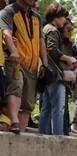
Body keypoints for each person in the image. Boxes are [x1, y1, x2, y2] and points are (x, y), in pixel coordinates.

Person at [0, 0, 50, 133]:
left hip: (32, 65)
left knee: (28, 102)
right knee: (16, 86)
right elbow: (6, 34)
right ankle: (15, 121)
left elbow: (41, 42)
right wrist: (14, 51)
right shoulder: (8, 12)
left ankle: (20, 133)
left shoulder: (36, 17)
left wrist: (44, 64)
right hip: (15, 61)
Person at [39, 3, 74, 136]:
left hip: (49, 73)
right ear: (56, 17)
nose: (65, 20)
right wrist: (67, 58)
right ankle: (58, 137)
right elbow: (52, 50)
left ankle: (43, 135)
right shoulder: (53, 30)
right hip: (55, 74)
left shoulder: (45, 28)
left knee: (46, 108)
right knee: (59, 108)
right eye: (63, 17)